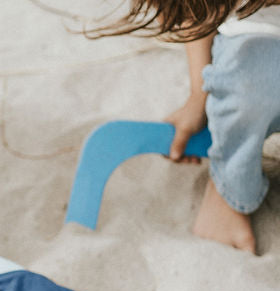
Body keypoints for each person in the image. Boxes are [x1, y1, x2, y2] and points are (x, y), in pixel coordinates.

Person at [94, 1, 280, 253]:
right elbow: (198, 14)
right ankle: (228, 190)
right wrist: (198, 97)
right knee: (250, 85)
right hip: (260, 39)